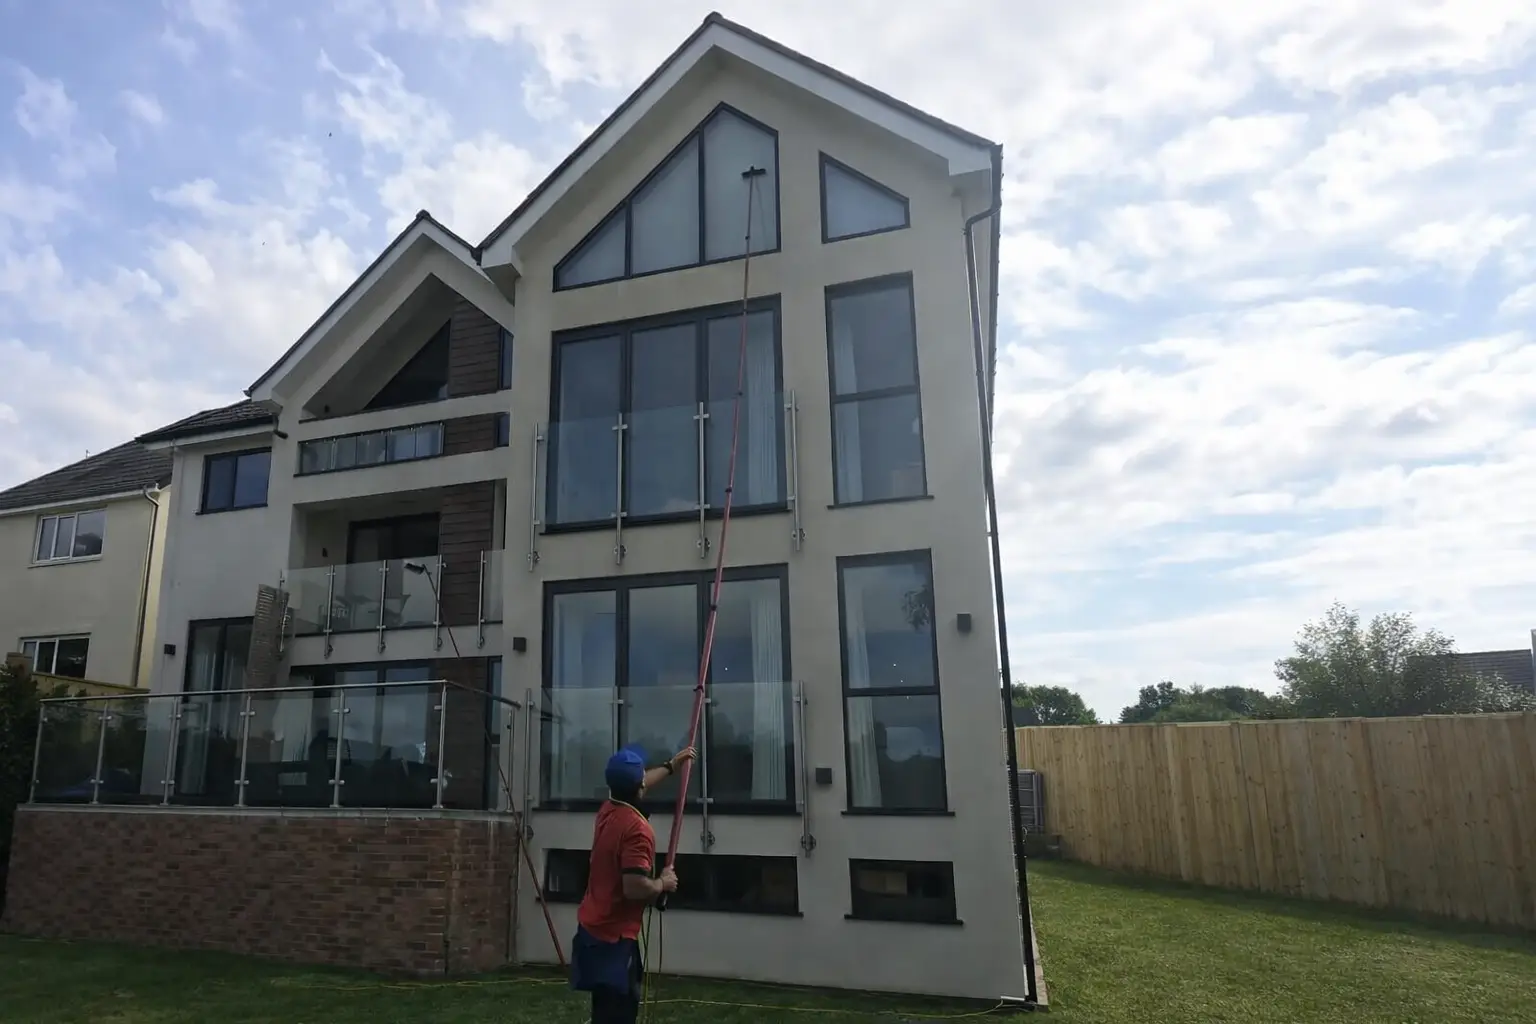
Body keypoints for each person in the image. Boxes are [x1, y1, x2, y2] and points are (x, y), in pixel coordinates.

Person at [569, 743, 697, 1024]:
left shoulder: (609, 809)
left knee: (604, 1008)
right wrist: (662, 883)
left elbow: (636, 785)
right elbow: (634, 887)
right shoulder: (637, 830)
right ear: (638, 784)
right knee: (619, 1013)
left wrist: (670, 766)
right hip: (614, 939)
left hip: (593, 930)